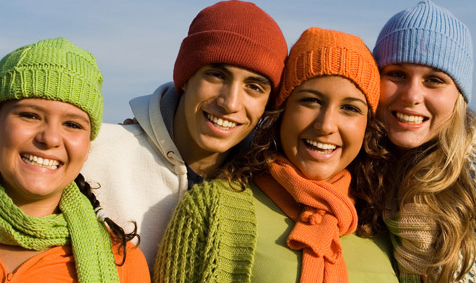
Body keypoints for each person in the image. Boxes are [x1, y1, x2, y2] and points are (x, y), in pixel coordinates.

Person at [0, 0, 288, 269]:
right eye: (216, 75)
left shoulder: (263, 182)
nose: (230, 102)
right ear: (185, 77)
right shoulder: (93, 147)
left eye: (254, 87)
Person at [154, 27, 398, 282]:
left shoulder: (383, 222)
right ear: (281, 112)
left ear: (368, 127)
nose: (326, 125)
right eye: (311, 101)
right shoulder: (210, 208)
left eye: (350, 108)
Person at [0, 38, 149, 282]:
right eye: (30, 115)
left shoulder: (122, 263)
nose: (51, 137)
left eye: (72, 124)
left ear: (87, 147)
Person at [361, 0, 476, 282]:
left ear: (458, 96)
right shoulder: (375, 172)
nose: (412, 95)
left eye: (434, 80)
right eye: (397, 74)